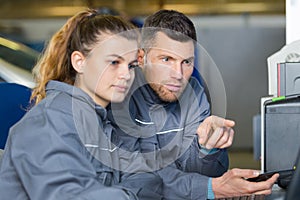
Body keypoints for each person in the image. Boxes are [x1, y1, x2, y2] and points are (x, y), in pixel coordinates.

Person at [107, 9, 279, 199]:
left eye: (186, 62)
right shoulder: (119, 97)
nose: (178, 74)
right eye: (166, 59)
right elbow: (139, 180)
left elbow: (206, 175)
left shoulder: (194, 93)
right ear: (141, 58)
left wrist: (207, 149)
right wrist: (211, 187)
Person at [0, 9, 140, 199]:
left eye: (131, 66)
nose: (126, 74)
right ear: (79, 62)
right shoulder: (49, 123)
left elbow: (145, 178)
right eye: (114, 62)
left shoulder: (104, 123)